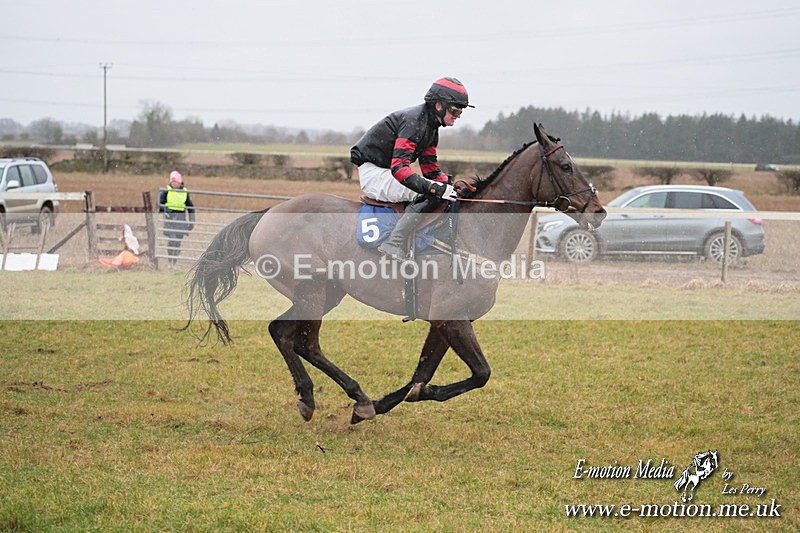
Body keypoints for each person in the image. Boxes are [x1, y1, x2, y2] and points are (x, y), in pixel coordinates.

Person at [350, 77, 473, 261]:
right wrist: (435, 189)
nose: (459, 115)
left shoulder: (431, 128)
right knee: (428, 193)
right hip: (374, 173)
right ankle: (394, 243)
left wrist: (449, 187)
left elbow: (431, 170)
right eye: (455, 109)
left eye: (461, 110)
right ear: (439, 105)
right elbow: (399, 168)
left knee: (439, 191)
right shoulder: (414, 121)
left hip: (386, 171)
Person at [158, 170, 195, 268]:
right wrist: (166, 210)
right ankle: (170, 261)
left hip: (181, 220)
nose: (174, 184)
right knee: (172, 240)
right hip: (170, 219)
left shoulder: (185, 192)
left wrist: (191, 222)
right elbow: (159, 205)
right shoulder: (165, 191)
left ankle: (174, 262)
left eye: (176, 182)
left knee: (178, 242)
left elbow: (191, 207)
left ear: (180, 182)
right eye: (173, 182)